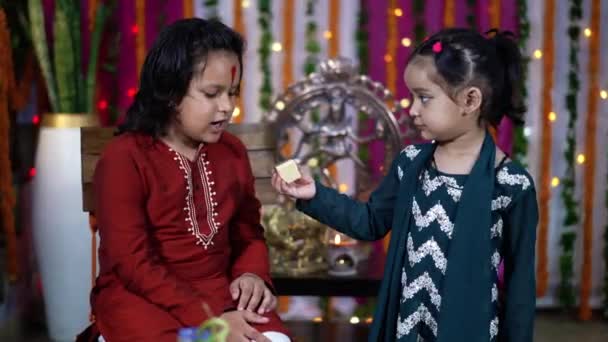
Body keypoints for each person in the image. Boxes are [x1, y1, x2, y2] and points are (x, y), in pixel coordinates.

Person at [272, 28, 538, 342]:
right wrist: (314, 194)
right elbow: (369, 222)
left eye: (424, 98)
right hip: (405, 329)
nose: (412, 110)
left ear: (470, 100)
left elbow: (520, 289)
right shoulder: (411, 163)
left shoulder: (510, 185)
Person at [78, 18, 290, 342]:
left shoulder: (232, 152)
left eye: (232, 93)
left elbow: (247, 233)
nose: (227, 107)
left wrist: (252, 275)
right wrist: (212, 321)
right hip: (142, 299)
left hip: (222, 293)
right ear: (170, 93)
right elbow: (132, 263)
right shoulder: (125, 158)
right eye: (211, 93)